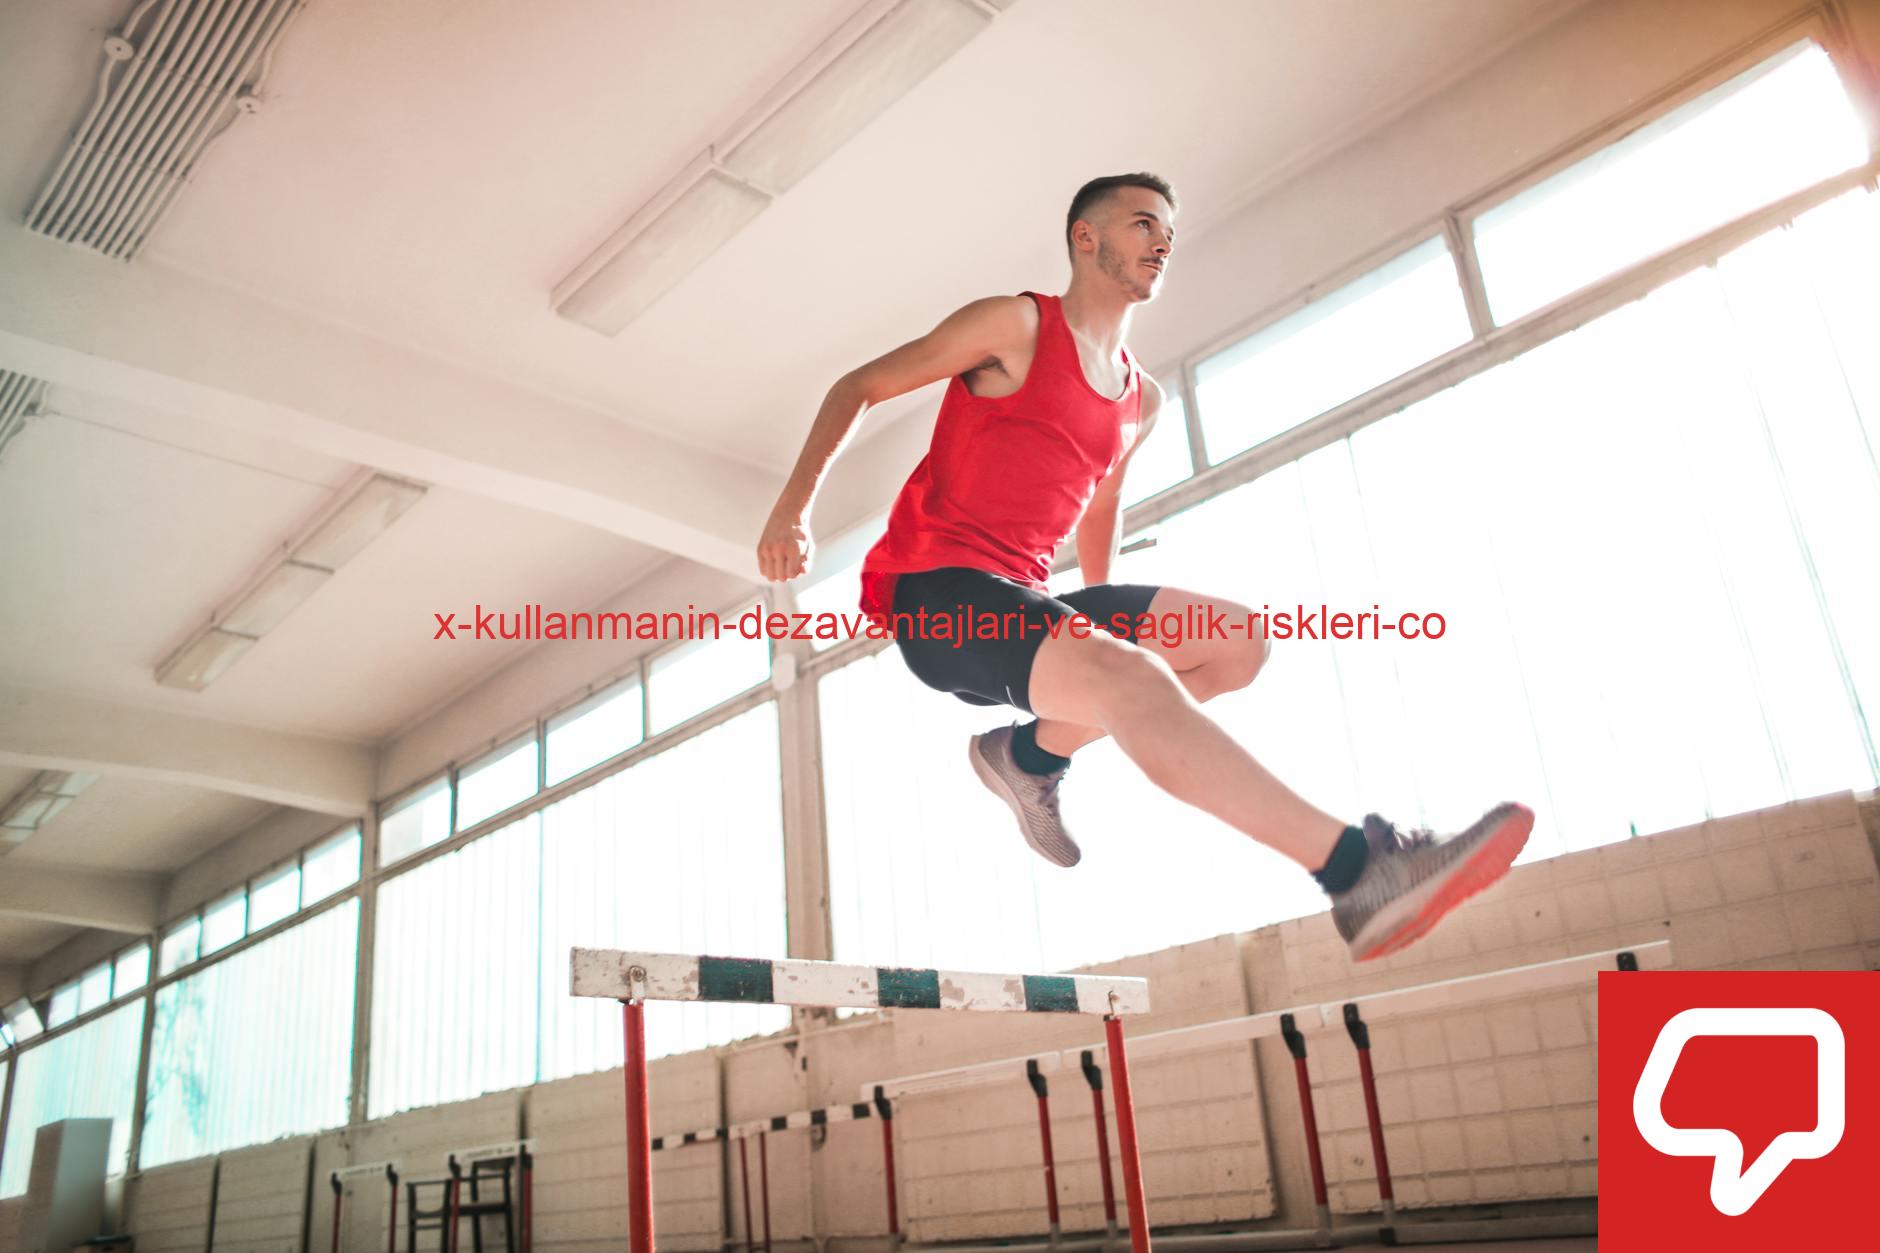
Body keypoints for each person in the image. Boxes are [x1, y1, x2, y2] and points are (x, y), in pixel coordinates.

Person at [757, 173, 1531, 961]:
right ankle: (1357, 872)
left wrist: (1095, 618)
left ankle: (1028, 755)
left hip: (1025, 591)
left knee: (1235, 643)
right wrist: (793, 508)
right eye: (1141, 224)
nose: (1162, 241)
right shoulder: (1017, 324)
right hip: (942, 597)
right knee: (1128, 678)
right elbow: (862, 385)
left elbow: (1099, 506)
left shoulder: (1141, 398)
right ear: (1086, 238)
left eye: (1168, 231)